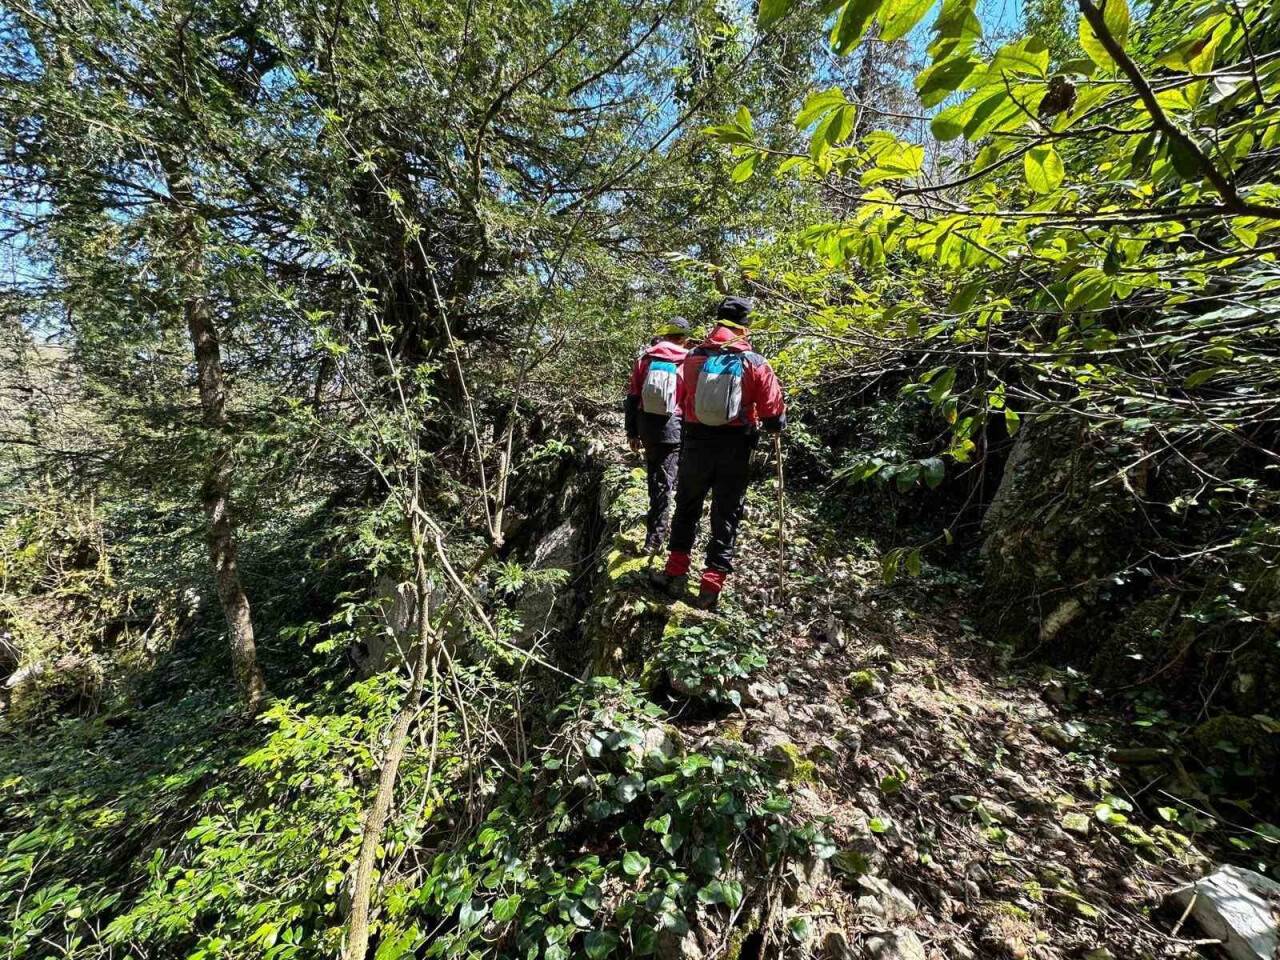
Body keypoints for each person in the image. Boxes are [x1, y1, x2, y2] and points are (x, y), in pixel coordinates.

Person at [649, 296, 785, 610]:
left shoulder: (694, 357)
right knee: (726, 514)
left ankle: (675, 572)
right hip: (736, 445)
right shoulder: (755, 361)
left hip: (697, 441)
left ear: (718, 320)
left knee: (687, 506)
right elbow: (773, 411)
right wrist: (775, 424)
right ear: (745, 325)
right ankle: (709, 588)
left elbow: (681, 400)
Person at [624, 317, 691, 554]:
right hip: (673, 428)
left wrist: (631, 432)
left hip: (647, 427)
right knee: (664, 483)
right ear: (685, 339)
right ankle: (655, 539)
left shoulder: (645, 358)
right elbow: (691, 401)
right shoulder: (689, 360)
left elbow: (632, 397)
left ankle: (655, 528)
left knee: (657, 477)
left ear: (664, 335)